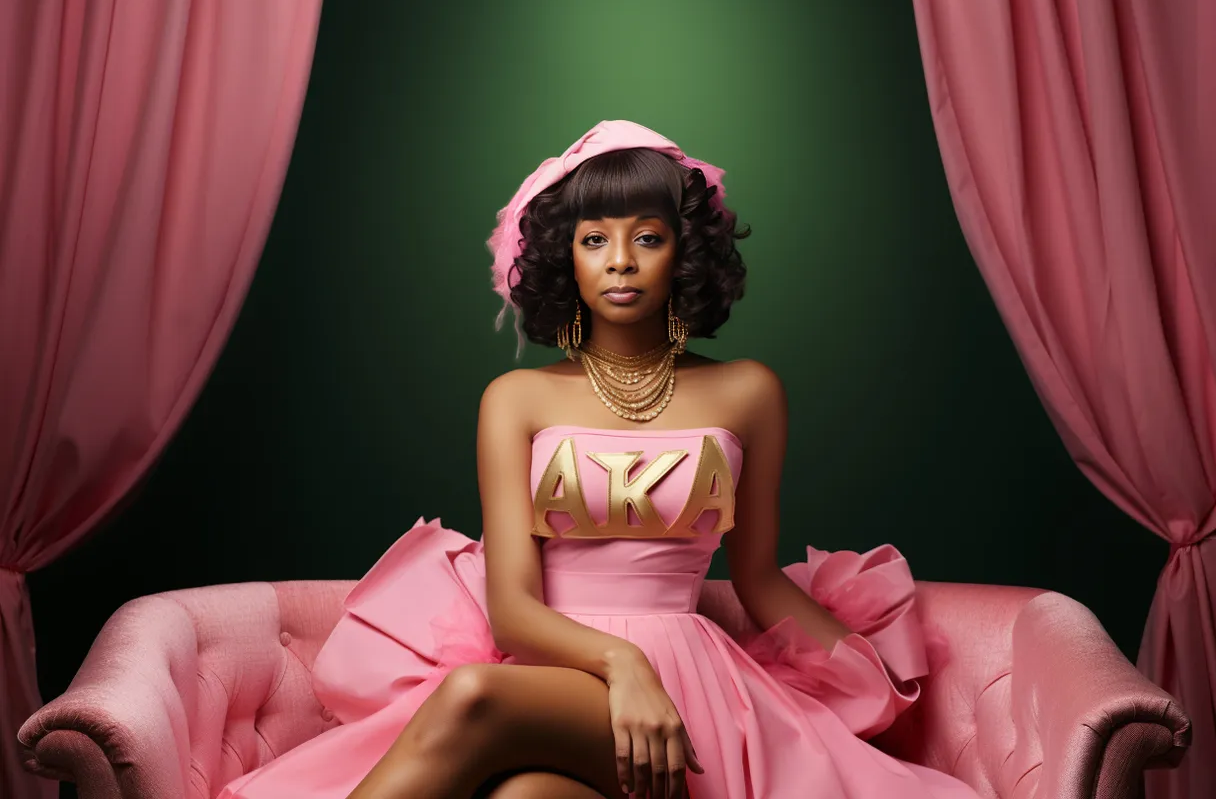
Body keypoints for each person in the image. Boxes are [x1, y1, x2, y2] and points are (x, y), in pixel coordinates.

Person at [218, 120, 980, 799]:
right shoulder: (515, 400)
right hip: (558, 674)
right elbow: (513, 613)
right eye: (594, 240)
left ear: (684, 252)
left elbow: (755, 576)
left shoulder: (749, 392)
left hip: (690, 692)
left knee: (488, 728)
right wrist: (623, 666)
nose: (620, 261)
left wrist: (859, 670)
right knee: (501, 752)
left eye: (646, 237)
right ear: (566, 262)